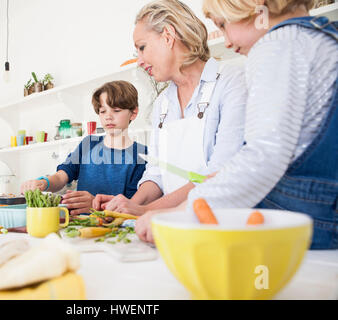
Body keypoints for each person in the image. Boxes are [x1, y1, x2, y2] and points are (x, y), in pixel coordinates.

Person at [139, 0, 338, 248]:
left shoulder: (276, 47)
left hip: (312, 226)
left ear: (256, 4)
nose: (228, 42)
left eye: (223, 24)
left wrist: (183, 213)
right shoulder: (322, 36)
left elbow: (262, 158)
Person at [93, 0, 247, 218]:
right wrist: (124, 208)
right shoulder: (162, 103)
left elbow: (219, 172)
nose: (139, 61)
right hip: (173, 223)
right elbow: (156, 172)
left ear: (168, 36)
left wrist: (145, 210)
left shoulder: (230, 82)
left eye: (142, 48)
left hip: (222, 222)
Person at [20, 80, 147, 215]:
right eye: (103, 111)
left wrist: (95, 206)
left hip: (115, 230)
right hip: (78, 225)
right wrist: (44, 183)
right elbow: (62, 176)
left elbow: (131, 206)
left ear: (133, 113)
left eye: (116, 110)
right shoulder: (89, 143)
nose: (108, 117)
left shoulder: (142, 155)